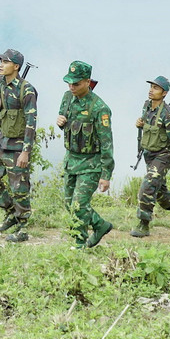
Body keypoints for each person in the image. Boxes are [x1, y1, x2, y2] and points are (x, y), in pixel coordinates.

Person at [56, 61, 114, 249]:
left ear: (88, 82)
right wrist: (60, 122)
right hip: (71, 160)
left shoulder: (99, 109)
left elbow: (107, 144)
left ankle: (79, 244)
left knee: (79, 205)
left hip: (91, 163)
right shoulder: (67, 97)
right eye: (70, 83)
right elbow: (65, 120)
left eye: (76, 83)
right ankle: (100, 225)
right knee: (68, 203)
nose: (72, 87)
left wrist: (106, 175)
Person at [0, 49, 38, 242]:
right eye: (0, 61)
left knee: (19, 187)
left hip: (18, 144)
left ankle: (23, 228)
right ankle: (10, 213)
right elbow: (0, 115)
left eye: (5, 62)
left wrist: (26, 152)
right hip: (2, 140)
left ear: (16, 67)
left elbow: (31, 122)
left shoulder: (27, 90)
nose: (1, 64)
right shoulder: (0, 83)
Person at [131, 75, 170, 238]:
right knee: (161, 193)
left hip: (164, 155)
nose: (151, 90)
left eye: (156, 88)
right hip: (149, 154)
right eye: (151, 87)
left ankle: (144, 224)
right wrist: (139, 124)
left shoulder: (168, 115)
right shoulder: (147, 106)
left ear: (164, 93)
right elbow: (147, 123)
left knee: (147, 186)